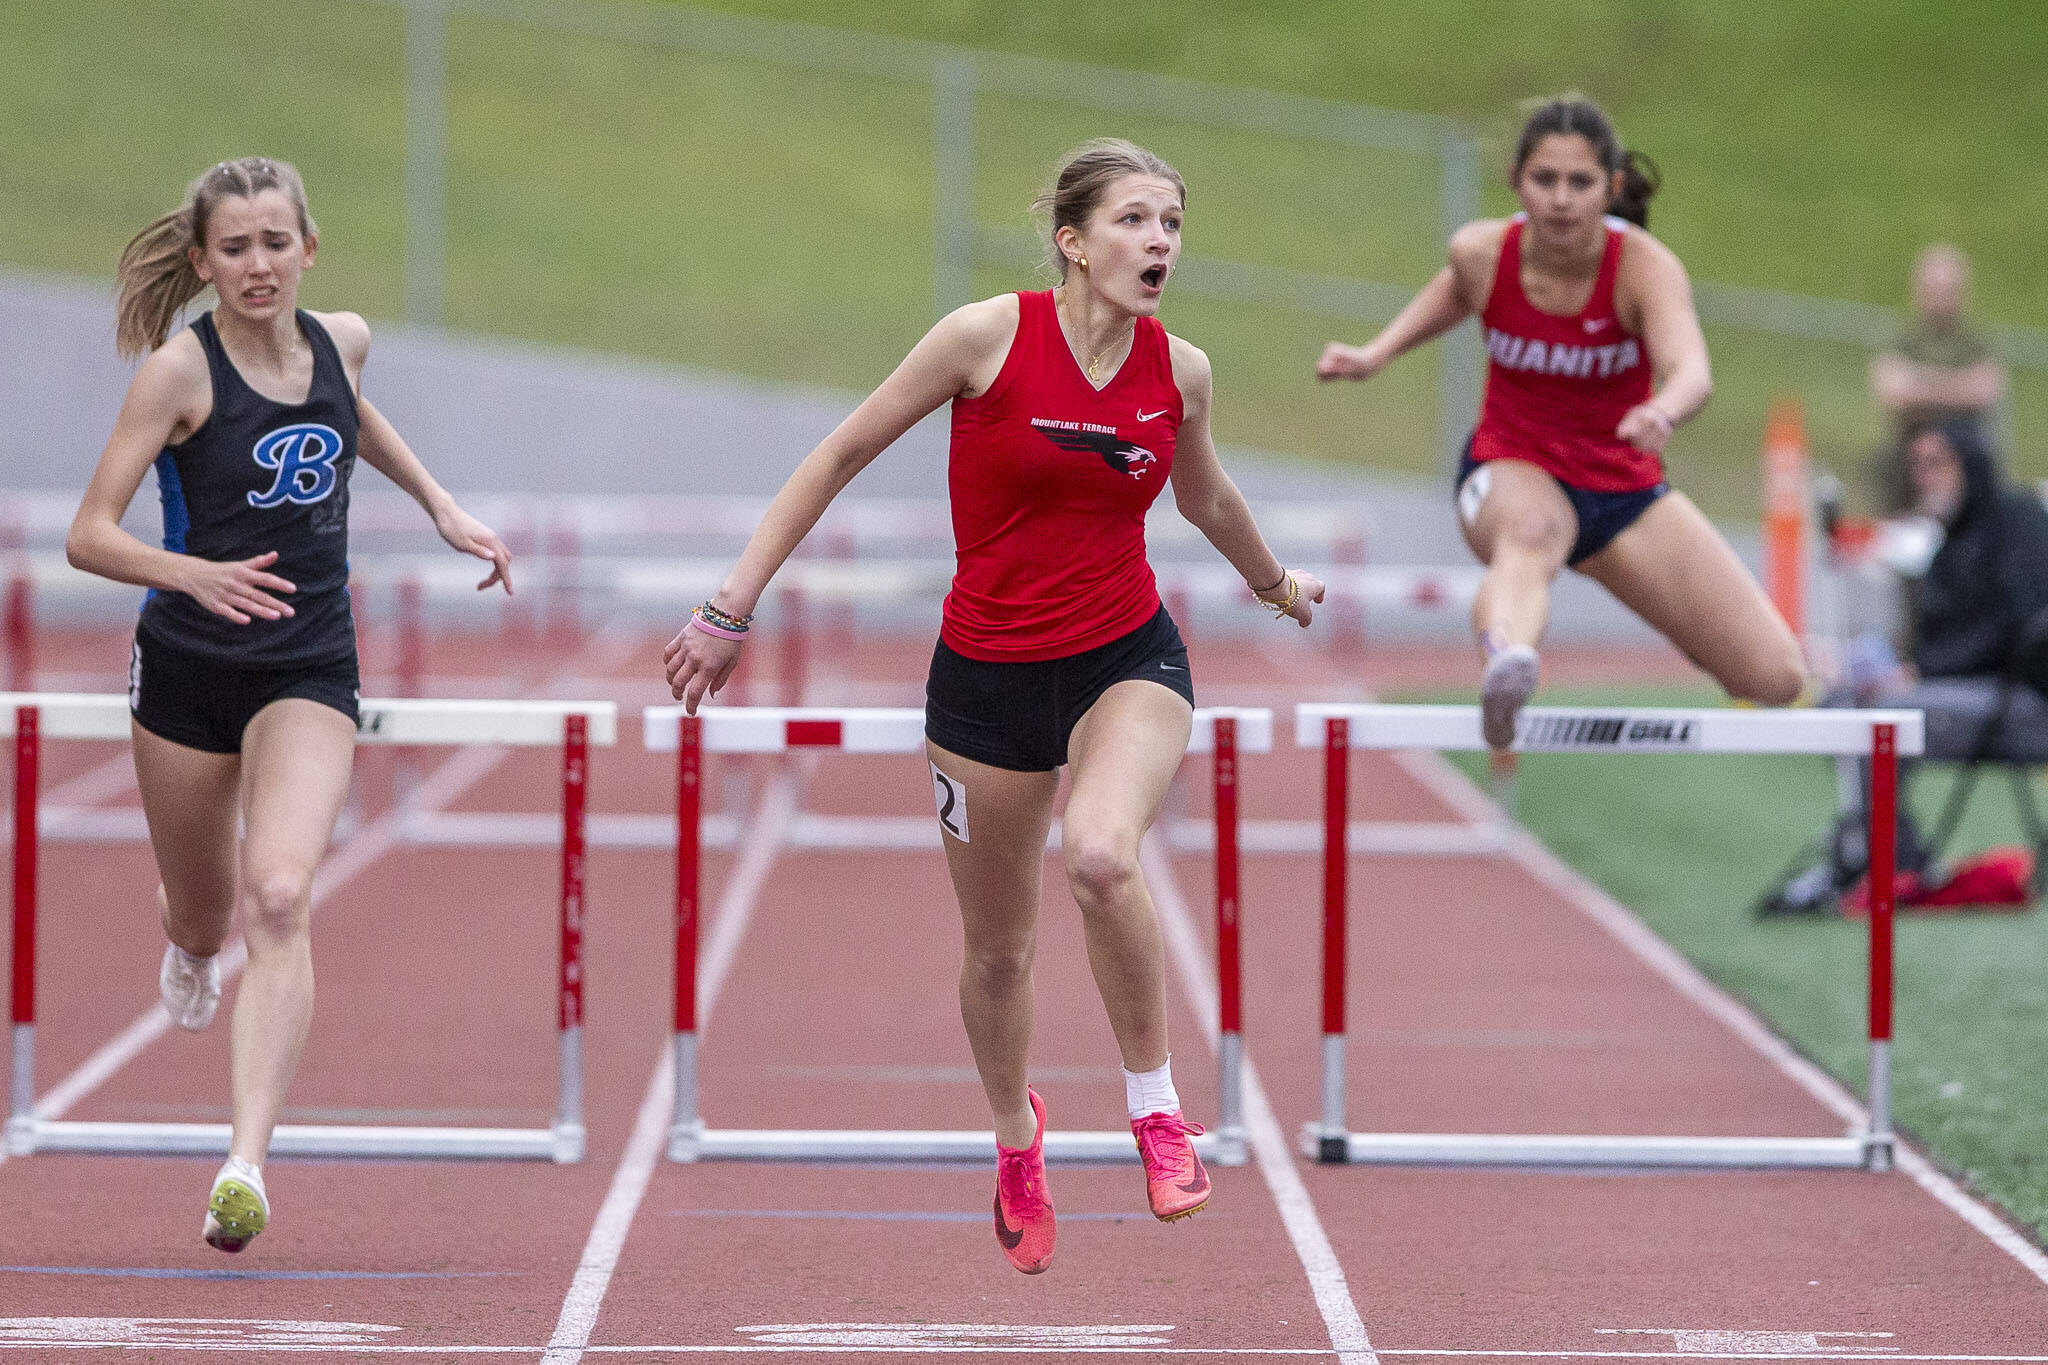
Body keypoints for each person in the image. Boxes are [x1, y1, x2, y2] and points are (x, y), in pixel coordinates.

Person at [664, 138, 1324, 1274]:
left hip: (1125, 655)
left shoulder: (1182, 371)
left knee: (1104, 856)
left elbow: (1205, 496)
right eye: (1131, 221)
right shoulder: (985, 336)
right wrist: (730, 606)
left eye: (1169, 223)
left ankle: (1157, 1110)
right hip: (982, 679)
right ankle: (1017, 1139)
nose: (1156, 242)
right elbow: (842, 451)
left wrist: (1272, 583)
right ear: (1071, 240)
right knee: (997, 955)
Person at [66, 157, 512, 1252]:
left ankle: (244, 1165)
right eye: (235, 248)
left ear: (309, 247)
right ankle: (186, 946)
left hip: (309, 665)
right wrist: (193, 575)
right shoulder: (179, 373)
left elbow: (350, 414)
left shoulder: (341, 340)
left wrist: (441, 504)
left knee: (278, 894)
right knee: (204, 911)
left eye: (275, 243)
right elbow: (89, 533)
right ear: (202, 260)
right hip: (184, 669)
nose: (257, 265)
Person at [1316, 95, 1805, 747]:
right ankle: (1506, 660)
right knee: (1532, 530)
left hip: (1618, 487)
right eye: (1545, 180)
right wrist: (1378, 351)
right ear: (1517, 181)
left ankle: (1691, 633)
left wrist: (1662, 409)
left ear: (1613, 186)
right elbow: (1456, 291)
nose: (1562, 200)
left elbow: (1692, 369)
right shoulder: (1482, 251)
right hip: (1510, 466)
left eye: (1581, 182)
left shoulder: (1644, 269)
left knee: (1774, 676)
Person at [1763, 421, 2048, 914]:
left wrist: (1922, 672)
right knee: (1840, 701)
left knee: (1878, 717)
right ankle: (1887, 853)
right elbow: (1935, 638)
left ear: (1971, 465)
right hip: (1959, 694)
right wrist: (1889, 664)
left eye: (1938, 462)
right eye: (1917, 465)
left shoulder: (2019, 520)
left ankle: (1887, 862)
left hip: (2022, 703)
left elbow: (2019, 625)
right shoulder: (1944, 540)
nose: (1924, 477)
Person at [1866, 246, 2007, 514]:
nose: (1941, 297)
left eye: (1948, 289)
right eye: (1934, 288)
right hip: (1906, 458)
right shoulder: (1904, 338)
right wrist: (1957, 386)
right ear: (1918, 290)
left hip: (1964, 457)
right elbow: (1892, 391)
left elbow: (1985, 390)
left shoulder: (1976, 341)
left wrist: (1919, 383)